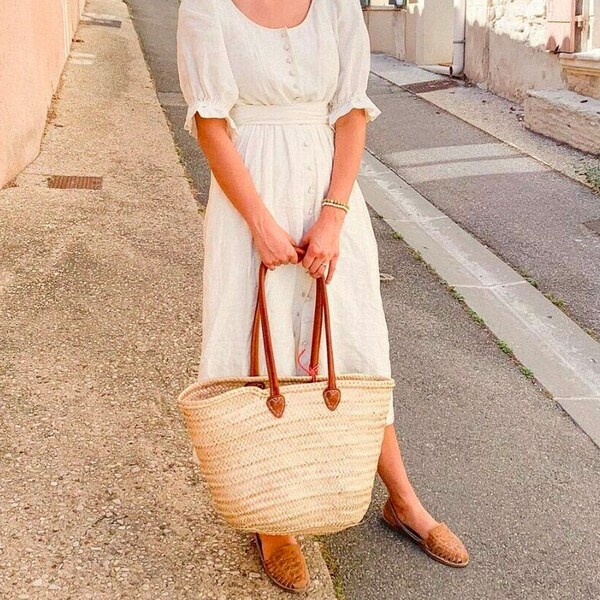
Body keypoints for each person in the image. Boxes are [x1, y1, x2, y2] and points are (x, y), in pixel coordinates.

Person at [176, 0, 469, 592]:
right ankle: (272, 521)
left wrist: (333, 216)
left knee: (356, 345)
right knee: (257, 344)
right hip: (248, 199)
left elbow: (351, 113)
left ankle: (402, 499)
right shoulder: (204, 7)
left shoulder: (336, 5)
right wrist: (259, 223)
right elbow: (211, 123)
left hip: (328, 197)